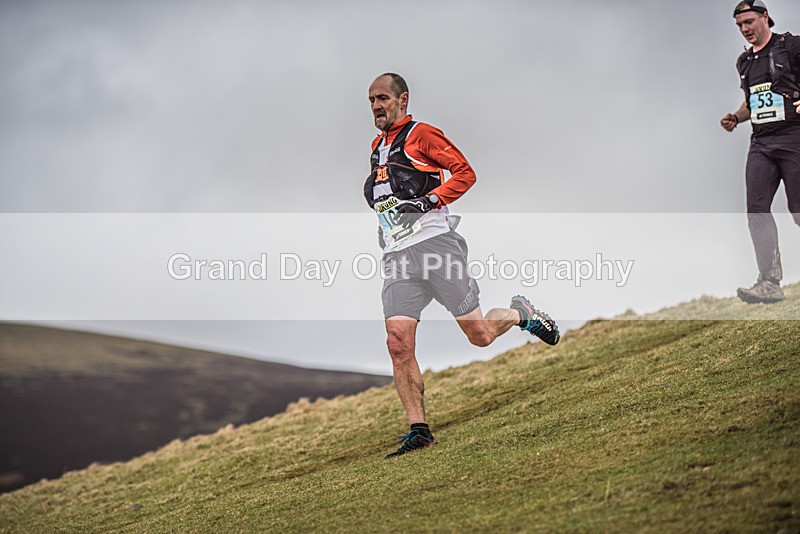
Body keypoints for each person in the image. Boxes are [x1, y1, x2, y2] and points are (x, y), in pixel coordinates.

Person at [365, 73, 560, 459]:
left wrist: (428, 201)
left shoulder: (422, 135)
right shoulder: (377, 147)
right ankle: (419, 431)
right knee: (397, 343)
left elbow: (465, 173)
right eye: (371, 100)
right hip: (398, 257)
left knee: (480, 335)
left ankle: (521, 314)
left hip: (437, 247)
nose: (376, 106)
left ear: (403, 99)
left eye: (382, 98)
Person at [721, 0, 800, 304]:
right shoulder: (744, 62)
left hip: (793, 138)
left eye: (749, 22)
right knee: (756, 209)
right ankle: (769, 282)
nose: (745, 29)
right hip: (761, 144)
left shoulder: (791, 47)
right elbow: (752, 100)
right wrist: (736, 117)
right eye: (740, 25)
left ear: (765, 17)